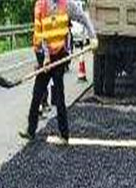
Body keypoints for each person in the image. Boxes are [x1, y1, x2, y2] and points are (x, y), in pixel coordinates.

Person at [20, 0, 97, 144]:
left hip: (60, 54)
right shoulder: (40, 6)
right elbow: (40, 32)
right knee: (38, 92)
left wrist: (93, 37)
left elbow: (83, 18)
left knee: (59, 93)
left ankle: (64, 135)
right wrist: (45, 58)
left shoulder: (67, 5)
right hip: (44, 54)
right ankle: (31, 130)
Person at [32, 0, 51, 117]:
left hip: (39, 46)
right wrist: (47, 56)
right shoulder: (44, 6)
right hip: (42, 47)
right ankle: (38, 105)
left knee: (44, 76)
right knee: (42, 77)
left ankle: (43, 102)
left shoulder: (39, 4)